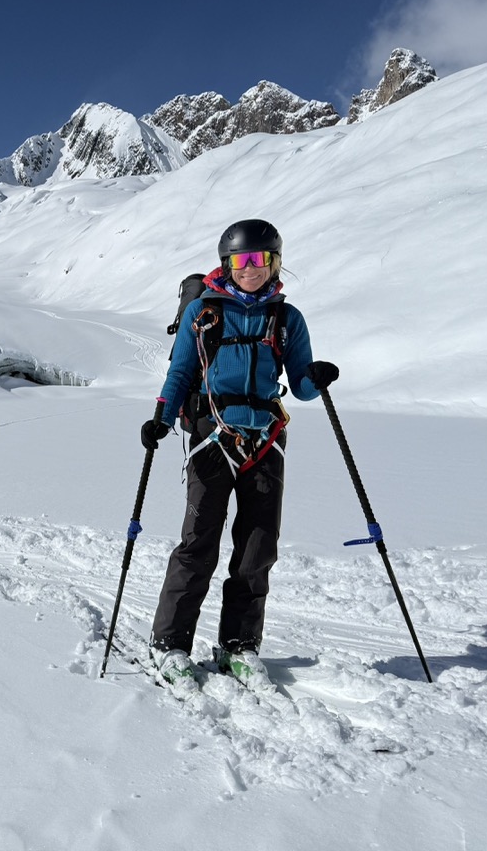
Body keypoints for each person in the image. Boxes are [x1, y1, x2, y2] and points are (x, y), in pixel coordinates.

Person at [140, 219, 339, 690]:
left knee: (258, 546)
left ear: (274, 262)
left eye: (261, 259)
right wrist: (161, 419)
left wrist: (317, 376)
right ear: (227, 263)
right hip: (212, 437)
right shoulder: (202, 314)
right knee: (199, 544)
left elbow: (304, 388)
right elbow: (181, 372)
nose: (252, 268)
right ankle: (170, 643)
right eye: (242, 260)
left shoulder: (287, 319)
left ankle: (238, 645)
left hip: (265, 441)